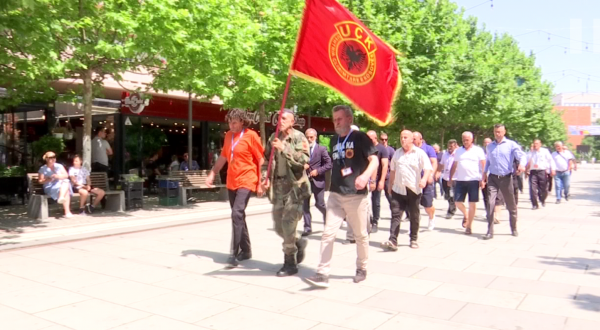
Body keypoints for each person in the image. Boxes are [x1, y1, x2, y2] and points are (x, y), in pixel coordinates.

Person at [306, 105, 378, 288]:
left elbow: (375, 160)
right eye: (334, 119)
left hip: (356, 196)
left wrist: (365, 176)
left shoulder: (360, 138)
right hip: (336, 195)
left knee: (361, 235)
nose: (336, 122)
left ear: (349, 119)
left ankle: (361, 268)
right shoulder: (334, 141)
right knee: (327, 233)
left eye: (339, 118)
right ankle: (322, 272)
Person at [207, 108, 265, 267]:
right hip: (232, 181)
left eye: (234, 123)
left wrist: (261, 182)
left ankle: (234, 252)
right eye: (229, 123)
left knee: (236, 213)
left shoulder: (251, 135)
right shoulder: (228, 136)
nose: (231, 126)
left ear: (242, 122)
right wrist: (213, 172)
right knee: (238, 216)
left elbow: (261, 160)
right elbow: (224, 156)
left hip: (247, 178)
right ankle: (246, 250)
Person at [263, 110, 310, 277]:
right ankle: (297, 243)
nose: (280, 121)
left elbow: (304, 160)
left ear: (292, 121)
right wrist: (265, 177)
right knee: (278, 226)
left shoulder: (299, 137)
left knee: (288, 224)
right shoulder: (273, 138)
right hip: (278, 186)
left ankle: (290, 263)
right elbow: (267, 160)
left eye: (284, 118)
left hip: (294, 188)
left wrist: (285, 148)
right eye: (278, 118)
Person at [382, 130, 432, 250]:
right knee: (396, 215)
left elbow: (428, 168)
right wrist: (390, 186)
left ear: (411, 139)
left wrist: (424, 179)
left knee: (414, 215)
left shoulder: (419, 153)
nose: (403, 139)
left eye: (405, 137)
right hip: (398, 189)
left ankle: (413, 238)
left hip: (413, 189)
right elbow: (392, 170)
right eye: (401, 137)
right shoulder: (397, 153)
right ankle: (393, 240)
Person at [481, 124, 526, 239]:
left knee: (511, 205)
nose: (498, 134)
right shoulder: (490, 146)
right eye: (496, 131)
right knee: (490, 204)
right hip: (493, 178)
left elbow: (522, 156)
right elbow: (488, 161)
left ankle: (514, 227)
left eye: (500, 131)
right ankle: (490, 231)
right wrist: (484, 174)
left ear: (504, 132)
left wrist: (521, 164)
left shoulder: (511, 145)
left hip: (506, 178)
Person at [449, 132, 486, 235]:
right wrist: (450, 178)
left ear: (472, 140)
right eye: (463, 140)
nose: (465, 142)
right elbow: (454, 164)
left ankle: (469, 226)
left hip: (473, 180)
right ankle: (466, 214)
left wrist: (483, 179)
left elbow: (483, 165)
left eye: (467, 140)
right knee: (457, 201)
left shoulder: (478, 150)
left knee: (472, 203)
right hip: (460, 180)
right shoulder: (458, 151)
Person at [302, 128, 332, 236]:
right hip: (305, 181)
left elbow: (329, 164)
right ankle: (307, 228)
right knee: (304, 205)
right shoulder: (301, 149)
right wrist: (302, 165)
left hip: (318, 181)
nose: (309, 139)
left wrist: (318, 171)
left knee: (319, 204)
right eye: (307, 137)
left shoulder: (321, 149)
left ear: (315, 137)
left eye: (311, 137)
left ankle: (328, 221)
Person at [412, 132, 437, 230]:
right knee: (413, 204)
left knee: (427, 205)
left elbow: (434, 162)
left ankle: (431, 217)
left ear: (420, 139)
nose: (412, 141)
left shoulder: (428, 149)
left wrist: (431, 175)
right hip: (414, 181)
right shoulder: (410, 150)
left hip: (426, 179)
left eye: (414, 139)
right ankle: (415, 222)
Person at [38, 151, 73, 218]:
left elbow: (66, 175)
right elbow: (40, 181)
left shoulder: (59, 166)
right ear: (47, 159)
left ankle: (61, 197)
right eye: (51, 157)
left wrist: (57, 176)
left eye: (54, 157)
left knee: (66, 182)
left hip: (61, 185)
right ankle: (67, 211)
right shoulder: (43, 169)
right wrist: (48, 179)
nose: (53, 158)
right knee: (66, 190)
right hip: (50, 186)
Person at [366, 130, 389, 233]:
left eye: (370, 139)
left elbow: (384, 165)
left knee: (376, 200)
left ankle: (375, 221)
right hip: (365, 178)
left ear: (375, 138)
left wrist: (381, 181)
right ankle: (369, 219)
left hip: (377, 178)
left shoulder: (382, 149)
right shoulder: (365, 147)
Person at [526, 139, 555, 209]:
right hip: (533, 172)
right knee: (532, 188)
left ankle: (542, 199)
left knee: (544, 189)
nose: (535, 145)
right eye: (534, 143)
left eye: (537, 143)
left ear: (540, 144)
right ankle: (535, 204)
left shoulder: (545, 151)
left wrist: (552, 169)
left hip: (542, 171)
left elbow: (551, 160)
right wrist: (526, 169)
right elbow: (526, 161)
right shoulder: (531, 152)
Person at [437, 139, 458, 219]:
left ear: (455, 146)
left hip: (454, 178)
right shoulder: (445, 154)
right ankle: (453, 205)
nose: (450, 147)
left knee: (451, 194)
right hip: (445, 178)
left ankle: (451, 211)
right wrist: (438, 172)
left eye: (452, 146)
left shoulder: (457, 154)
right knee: (447, 195)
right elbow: (441, 164)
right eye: (449, 145)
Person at [481, 137, 493, 212]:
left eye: (488, 142)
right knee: (485, 196)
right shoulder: (481, 153)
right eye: (485, 142)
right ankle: (488, 211)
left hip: (493, 176)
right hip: (483, 176)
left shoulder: (494, 152)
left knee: (492, 195)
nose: (487, 144)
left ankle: (493, 211)